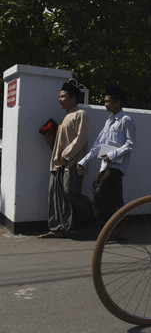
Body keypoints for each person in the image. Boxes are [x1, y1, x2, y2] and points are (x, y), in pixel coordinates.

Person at [78, 86, 136, 240]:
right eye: (105, 101)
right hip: (106, 165)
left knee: (100, 194)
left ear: (118, 102)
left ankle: (108, 230)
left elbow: (131, 144)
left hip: (117, 166)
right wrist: (83, 161)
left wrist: (112, 154)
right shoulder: (109, 121)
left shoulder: (126, 120)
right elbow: (98, 144)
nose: (105, 104)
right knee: (114, 198)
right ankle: (119, 231)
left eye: (108, 101)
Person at [38, 82, 93, 238]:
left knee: (71, 193)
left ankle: (98, 212)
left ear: (73, 98)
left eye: (63, 96)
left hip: (74, 163)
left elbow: (82, 137)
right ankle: (58, 228)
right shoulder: (67, 116)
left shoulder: (81, 114)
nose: (59, 99)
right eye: (59, 96)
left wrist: (67, 154)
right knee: (56, 195)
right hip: (60, 163)